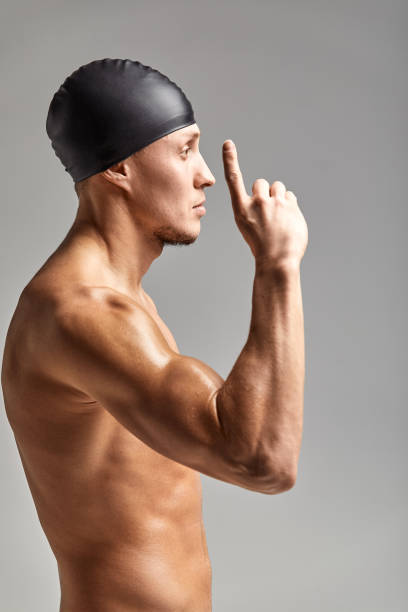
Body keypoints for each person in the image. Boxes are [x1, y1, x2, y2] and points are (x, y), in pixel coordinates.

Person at [1, 58, 308, 611]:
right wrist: (277, 268)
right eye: (185, 150)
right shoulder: (81, 314)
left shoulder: (126, 299)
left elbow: (228, 425)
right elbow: (262, 459)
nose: (206, 175)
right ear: (119, 169)